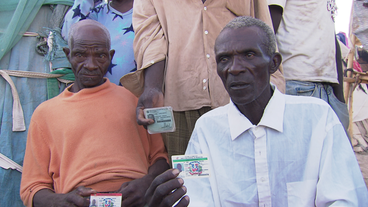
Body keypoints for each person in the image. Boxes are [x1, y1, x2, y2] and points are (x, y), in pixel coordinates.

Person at [144, 16, 368, 206]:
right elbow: (199, 199)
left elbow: (344, 197)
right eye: (224, 59)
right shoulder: (207, 130)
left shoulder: (316, 118)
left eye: (249, 55)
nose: (235, 68)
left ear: (274, 63)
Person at [20, 19, 169, 207]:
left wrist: (146, 184)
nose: (90, 65)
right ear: (68, 55)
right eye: (80, 55)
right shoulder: (44, 114)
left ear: (111, 56)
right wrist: (61, 201)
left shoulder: (133, 101)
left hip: (138, 200)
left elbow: (161, 158)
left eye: (100, 55)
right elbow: (31, 188)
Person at [120, 0, 286, 160]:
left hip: (243, 100)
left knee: (249, 171)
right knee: (188, 180)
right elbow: (150, 40)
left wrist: (274, 94)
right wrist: (152, 87)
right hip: (183, 101)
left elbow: (264, 33)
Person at [268, 0, 350, 132]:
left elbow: (332, 39)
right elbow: (268, 28)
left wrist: (339, 97)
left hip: (329, 88)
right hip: (297, 84)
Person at [62, 0, 135, 85]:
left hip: (137, 94)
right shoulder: (96, 13)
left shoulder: (147, 14)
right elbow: (71, 34)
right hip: (98, 93)